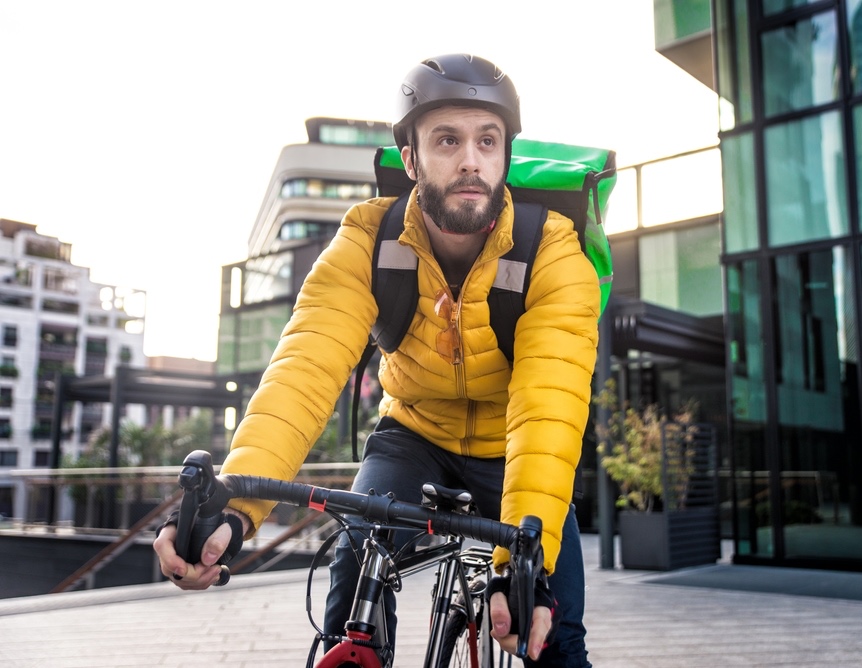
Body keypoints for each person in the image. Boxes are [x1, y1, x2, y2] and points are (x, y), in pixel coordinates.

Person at [153, 53, 599, 668]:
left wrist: (528, 561)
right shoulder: (368, 239)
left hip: (515, 448)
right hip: (413, 435)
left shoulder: (553, 251)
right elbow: (302, 373)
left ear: (505, 157)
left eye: (487, 141)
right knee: (352, 583)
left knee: (551, 635)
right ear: (410, 158)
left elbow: (548, 408)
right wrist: (233, 507)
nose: (470, 159)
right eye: (447, 139)